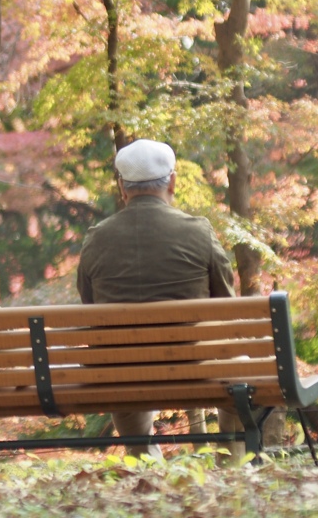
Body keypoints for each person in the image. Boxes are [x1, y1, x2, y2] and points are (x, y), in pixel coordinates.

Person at [77, 139, 239, 460]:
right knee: (244, 375)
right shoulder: (199, 231)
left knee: (122, 370)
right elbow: (227, 303)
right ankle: (230, 462)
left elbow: (89, 304)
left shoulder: (97, 238)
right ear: (173, 182)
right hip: (194, 365)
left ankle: (143, 460)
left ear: (122, 187)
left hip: (122, 372)